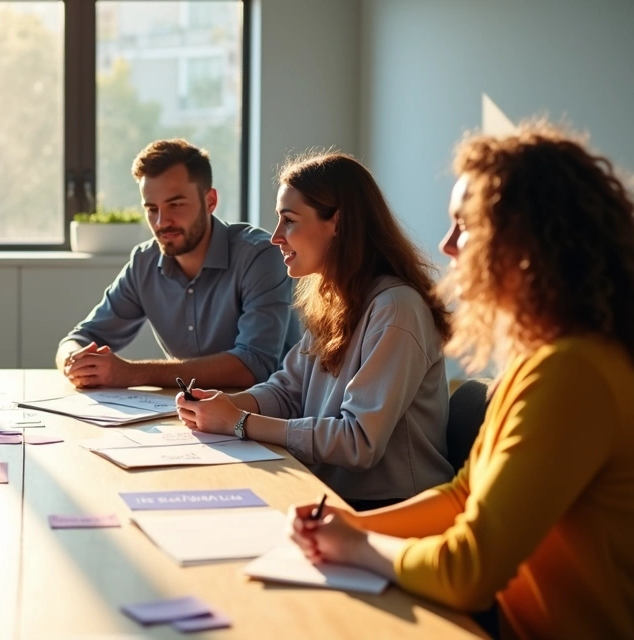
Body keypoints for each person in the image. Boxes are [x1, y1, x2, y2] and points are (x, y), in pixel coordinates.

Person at [288, 125, 634, 638]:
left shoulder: (574, 373)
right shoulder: (539, 360)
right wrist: (354, 524)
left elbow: (467, 572)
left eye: (464, 225)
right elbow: (463, 495)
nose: (447, 245)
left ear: (528, 240)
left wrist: (359, 547)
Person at [177, 153, 454, 510]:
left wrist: (239, 422)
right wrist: (222, 405)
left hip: (388, 508)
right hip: (330, 493)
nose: (275, 237)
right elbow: (288, 392)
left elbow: (358, 442)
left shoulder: (396, 309)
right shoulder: (335, 299)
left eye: (289, 221)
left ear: (337, 222)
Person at [57, 139, 298, 390]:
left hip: (264, 408)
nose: (162, 222)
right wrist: (73, 361)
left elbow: (254, 366)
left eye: (175, 205)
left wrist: (132, 373)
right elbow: (79, 338)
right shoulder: (144, 263)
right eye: (152, 209)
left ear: (210, 201)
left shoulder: (260, 256)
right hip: (186, 409)